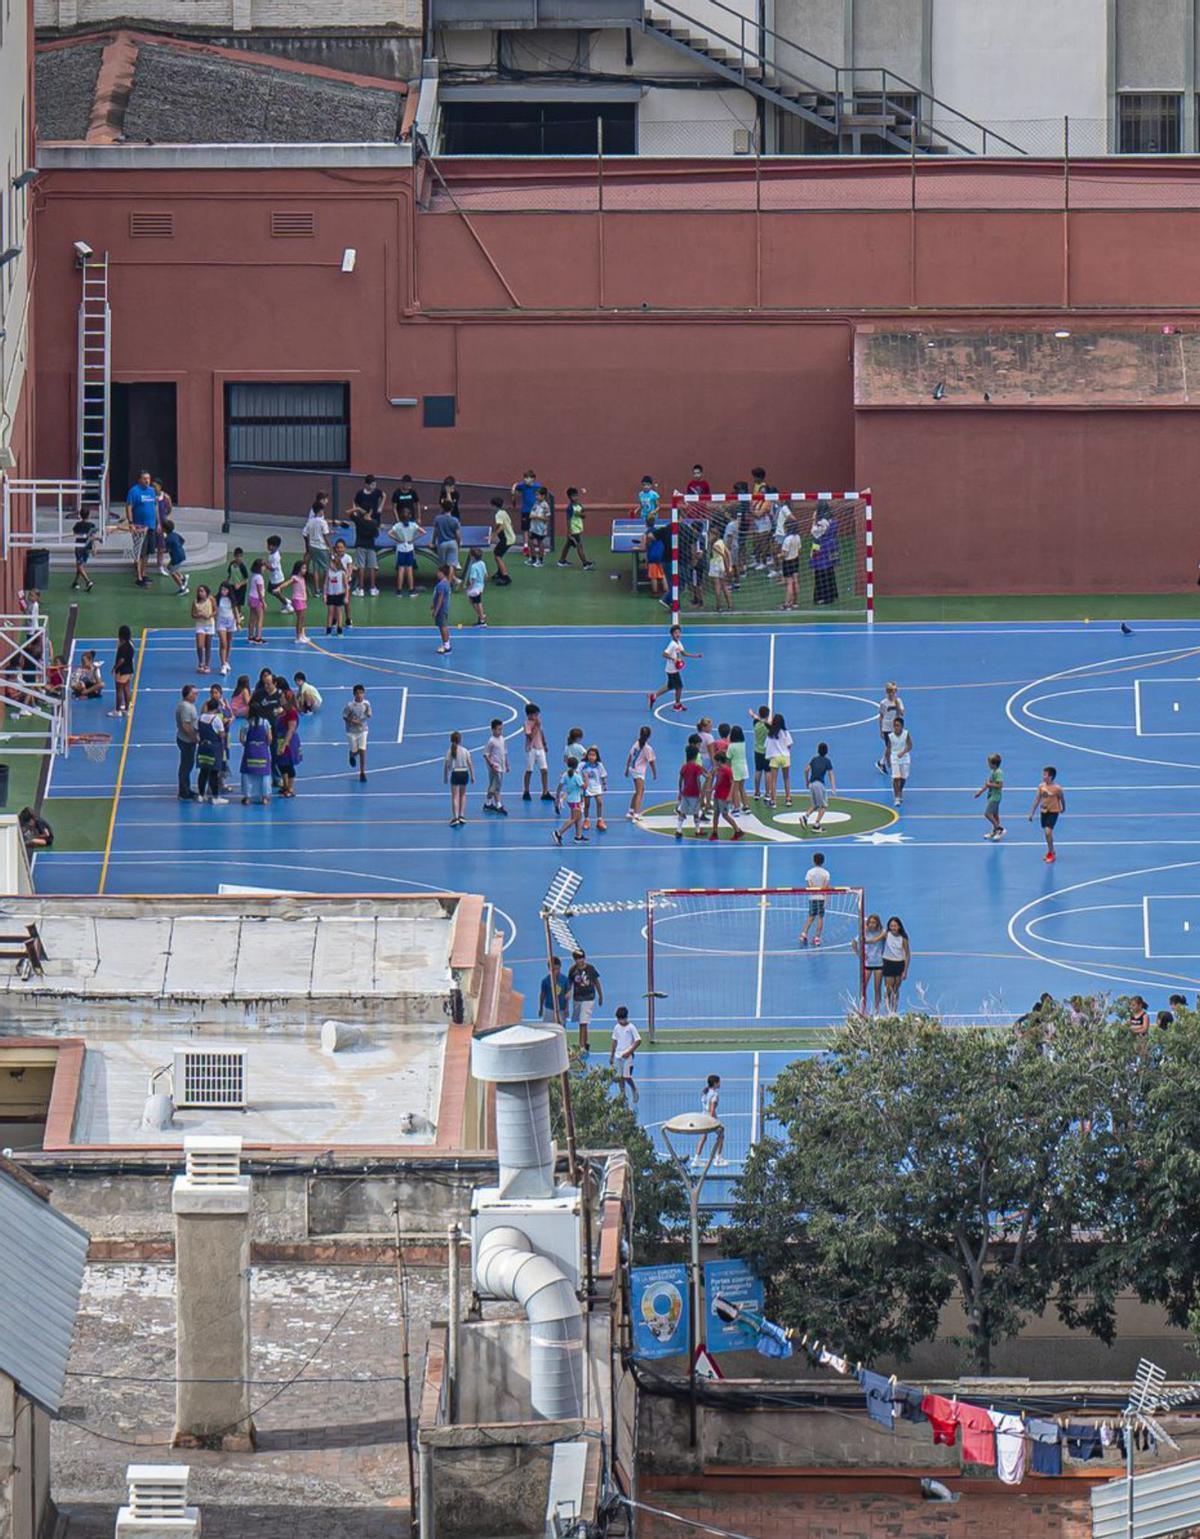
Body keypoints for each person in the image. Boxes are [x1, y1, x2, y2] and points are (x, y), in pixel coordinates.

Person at [649, 625, 702, 713]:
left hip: (674, 669)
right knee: (679, 687)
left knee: (670, 686)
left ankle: (654, 696)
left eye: (679, 632)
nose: (678, 634)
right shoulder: (672, 644)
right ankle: (677, 705)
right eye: (675, 633)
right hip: (671, 670)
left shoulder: (678, 643)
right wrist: (674, 659)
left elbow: (683, 653)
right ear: (672, 634)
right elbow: (664, 654)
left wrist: (695, 656)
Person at [125, 470, 159, 587]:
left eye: (148, 478)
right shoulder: (134, 491)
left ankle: (144, 573)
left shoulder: (152, 491)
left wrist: (158, 523)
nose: (147, 481)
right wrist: (131, 522)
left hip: (151, 526)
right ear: (139, 480)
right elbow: (129, 507)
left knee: (148, 552)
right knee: (140, 552)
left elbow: (155, 507)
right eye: (144, 478)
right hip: (139, 528)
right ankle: (139, 577)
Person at [348, 484, 382, 598]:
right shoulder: (374, 523)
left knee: (361, 567)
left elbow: (348, 513)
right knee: (372, 567)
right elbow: (376, 535)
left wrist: (357, 509)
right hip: (371, 546)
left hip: (360, 546)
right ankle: (372, 588)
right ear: (371, 511)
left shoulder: (358, 520)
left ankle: (361, 589)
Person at [567, 949, 602, 1054]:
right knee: (582, 1022)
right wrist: (568, 994)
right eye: (577, 959)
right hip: (577, 998)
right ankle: (585, 1042)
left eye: (582, 958)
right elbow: (569, 984)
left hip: (589, 997)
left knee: (583, 1022)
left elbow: (596, 982)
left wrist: (600, 995)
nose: (580, 961)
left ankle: (581, 1046)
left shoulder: (591, 969)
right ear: (574, 960)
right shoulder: (572, 970)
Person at [196, 695, 229, 805]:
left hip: (202, 748)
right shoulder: (216, 720)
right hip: (213, 749)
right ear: (217, 708)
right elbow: (222, 734)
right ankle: (215, 797)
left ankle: (201, 795)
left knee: (203, 771)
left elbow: (198, 731)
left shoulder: (200, 718)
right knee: (214, 773)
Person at [1029, 766, 1065, 863]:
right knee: (1046, 832)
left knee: (1048, 831)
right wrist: (1032, 812)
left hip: (1053, 811)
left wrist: (1063, 808)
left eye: (1045, 775)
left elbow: (1062, 799)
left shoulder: (1057, 788)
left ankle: (1051, 852)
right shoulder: (1041, 786)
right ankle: (1051, 850)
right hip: (1043, 811)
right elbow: (1037, 799)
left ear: (1051, 777)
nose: (1043, 776)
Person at [238, 706, 273, 805]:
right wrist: (264, 745)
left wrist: (248, 745)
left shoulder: (246, 723)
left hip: (250, 752)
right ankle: (265, 797)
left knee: (247, 774)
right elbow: (270, 738)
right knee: (264, 774)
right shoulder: (265, 723)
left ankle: (247, 797)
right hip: (262, 752)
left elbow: (241, 739)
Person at [273, 686, 302, 798]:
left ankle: (290, 788)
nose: (280, 699)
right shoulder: (284, 711)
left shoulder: (291, 713)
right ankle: (285, 785)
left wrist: (284, 745)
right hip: (280, 740)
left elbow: (291, 729)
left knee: (288, 765)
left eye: (282, 697)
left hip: (288, 742)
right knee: (281, 764)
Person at [609, 1006, 641, 1106]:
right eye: (618, 1019)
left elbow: (638, 1040)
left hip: (627, 1056)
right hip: (618, 1056)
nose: (620, 1021)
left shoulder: (631, 1027)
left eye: (622, 1019)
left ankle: (634, 1089)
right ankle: (622, 1094)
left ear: (626, 1018)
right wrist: (612, 1055)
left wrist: (629, 1052)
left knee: (627, 1076)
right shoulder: (616, 1027)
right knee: (619, 1077)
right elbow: (614, 1041)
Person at [798, 851, 831, 946]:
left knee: (811, 916)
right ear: (823, 861)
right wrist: (826, 898)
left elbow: (809, 885)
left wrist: (814, 890)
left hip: (812, 897)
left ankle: (804, 934)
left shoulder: (810, 872)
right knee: (820, 918)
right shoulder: (826, 873)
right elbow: (825, 887)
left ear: (813, 861)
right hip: (821, 898)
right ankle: (817, 937)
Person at [553, 756, 587, 845]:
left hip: (570, 800)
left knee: (578, 817)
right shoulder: (577, 776)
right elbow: (584, 787)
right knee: (574, 818)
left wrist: (557, 798)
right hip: (575, 801)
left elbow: (559, 786)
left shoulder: (565, 775)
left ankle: (578, 837)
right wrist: (586, 778)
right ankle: (558, 833)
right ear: (577, 765)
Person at [855, 913, 886, 1013]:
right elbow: (853, 943)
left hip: (879, 964)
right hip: (867, 964)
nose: (872, 924)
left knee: (877, 988)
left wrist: (866, 941)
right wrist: (860, 955)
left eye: (874, 922)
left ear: (877, 923)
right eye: (870, 922)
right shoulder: (864, 933)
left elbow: (875, 940)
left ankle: (877, 1011)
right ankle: (863, 1009)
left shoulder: (882, 932)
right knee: (863, 988)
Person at [389, 502, 421, 597]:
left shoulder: (397, 525)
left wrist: (397, 539)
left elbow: (389, 533)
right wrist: (413, 539)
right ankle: (411, 590)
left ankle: (399, 591)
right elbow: (423, 532)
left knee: (401, 570)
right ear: (410, 516)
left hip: (401, 549)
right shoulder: (413, 525)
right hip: (409, 549)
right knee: (409, 570)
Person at [557, 487, 593, 569]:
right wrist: (569, 532)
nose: (575, 497)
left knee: (567, 545)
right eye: (573, 496)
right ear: (569, 497)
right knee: (579, 546)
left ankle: (561, 561)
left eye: (576, 495)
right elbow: (568, 520)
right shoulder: (570, 508)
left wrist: (580, 514)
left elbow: (583, 515)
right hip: (574, 531)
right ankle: (585, 563)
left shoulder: (579, 505)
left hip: (578, 529)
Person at [522, 702, 553, 802]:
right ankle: (526, 791)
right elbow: (530, 736)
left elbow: (541, 733)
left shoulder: (539, 723)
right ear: (530, 715)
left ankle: (545, 792)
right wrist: (536, 726)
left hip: (540, 748)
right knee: (529, 770)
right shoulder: (527, 724)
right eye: (535, 714)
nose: (537, 716)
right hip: (531, 749)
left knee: (544, 770)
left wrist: (544, 744)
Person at [709, 751, 742, 842]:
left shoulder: (727, 770)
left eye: (715, 761)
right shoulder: (718, 770)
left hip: (723, 796)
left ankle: (737, 830)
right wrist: (713, 788)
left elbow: (732, 783)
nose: (714, 763)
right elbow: (719, 781)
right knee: (716, 814)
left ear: (719, 761)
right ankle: (715, 832)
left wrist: (729, 796)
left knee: (725, 815)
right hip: (717, 794)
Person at [625, 725, 656, 819]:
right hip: (639, 771)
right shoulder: (648, 748)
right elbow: (651, 762)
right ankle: (636, 814)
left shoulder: (636, 743)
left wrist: (626, 769)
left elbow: (630, 756)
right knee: (640, 792)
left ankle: (630, 811)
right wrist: (654, 773)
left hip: (633, 769)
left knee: (640, 790)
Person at [803, 741, 836, 830]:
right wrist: (833, 787)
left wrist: (807, 781)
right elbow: (831, 774)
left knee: (815, 805)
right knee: (824, 805)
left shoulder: (814, 759)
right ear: (826, 751)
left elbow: (806, 770)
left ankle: (805, 816)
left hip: (812, 784)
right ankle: (816, 824)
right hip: (819, 784)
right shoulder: (827, 761)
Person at [444, 729, 474, 826]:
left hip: (455, 773)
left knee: (455, 796)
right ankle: (462, 815)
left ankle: (455, 817)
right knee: (463, 795)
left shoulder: (450, 751)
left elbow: (447, 765)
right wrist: (473, 776)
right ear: (460, 740)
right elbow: (470, 763)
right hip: (464, 773)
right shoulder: (465, 751)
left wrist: (445, 776)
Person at [675, 745, 705, 839]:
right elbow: (698, 780)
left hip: (685, 793)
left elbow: (680, 780)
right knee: (696, 812)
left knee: (682, 812)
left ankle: (678, 830)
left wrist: (680, 792)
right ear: (696, 756)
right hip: (694, 793)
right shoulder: (697, 767)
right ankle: (697, 830)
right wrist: (700, 792)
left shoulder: (684, 767)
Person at [694, 1074, 725, 1166]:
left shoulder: (705, 1092)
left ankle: (696, 1159)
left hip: (702, 1116)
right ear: (715, 1083)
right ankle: (718, 1159)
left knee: (703, 1137)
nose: (720, 1083)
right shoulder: (715, 1095)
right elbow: (712, 1110)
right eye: (719, 1082)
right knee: (721, 1134)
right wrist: (714, 1121)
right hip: (709, 1118)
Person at [175, 684, 199, 800]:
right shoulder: (186, 707)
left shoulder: (188, 705)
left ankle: (186, 788)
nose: (196, 695)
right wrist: (194, 737)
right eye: (194, 693)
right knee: (186, 765)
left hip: (186, 739)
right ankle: (184, 791)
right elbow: (185, 725)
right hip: (187, 740)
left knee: (187, 764)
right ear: (188, 695)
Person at [810, 508, 839, 605]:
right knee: (830, 570)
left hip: (823, 548)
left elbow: (814, 534)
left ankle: (824, 597)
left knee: (821, 572)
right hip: (832, 547)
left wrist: (814, 520)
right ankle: (833, 593)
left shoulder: (822, 523)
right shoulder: (833, 521)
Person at [343, 682, 371, 783]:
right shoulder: (350, 706)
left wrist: (367, 715)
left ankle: (362, 772)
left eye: (361, 693)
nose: (359, 695)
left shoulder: (366, 704)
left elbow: (369, 713)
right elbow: (345, 716)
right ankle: (351, 755)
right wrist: (353, 721)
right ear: (354, 694)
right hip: (351, 731)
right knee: (355, 751)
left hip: (363, 730)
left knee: (362, 751)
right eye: (357, 693)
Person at [881, 916, 910, 1013]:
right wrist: (864, 939)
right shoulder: (886, 934)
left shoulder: (903, 938)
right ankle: (888, 1010)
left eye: (895, 925)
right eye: (891, 926)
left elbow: (907, 954)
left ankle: (894, 1011)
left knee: (896, 989)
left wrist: (905, 971)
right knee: (888, 989)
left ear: (899, 927)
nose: (893, 927)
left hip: (899, 964)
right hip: (888, 963)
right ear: (889, 927)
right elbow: (875, 939)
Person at [974, 753, 1006, 840]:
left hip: (995, 797)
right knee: (995, 815)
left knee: (987, 814)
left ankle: (1000, 829)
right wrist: (980, 792)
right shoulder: (993, 772)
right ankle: (995, 831)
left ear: (994, 764)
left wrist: (990, 784)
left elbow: (1000, 785)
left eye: (989, 763)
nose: (988, 765)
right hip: (991, 795)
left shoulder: (999, 773)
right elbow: (987, 784)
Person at [765, 712, 793, 808]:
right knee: (786, 778)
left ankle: (773, 801)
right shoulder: (785, 733)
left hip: (775, 757)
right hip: (785, 757)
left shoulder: (771, 734)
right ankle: (788, 798)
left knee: (773, 780)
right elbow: (789, 745)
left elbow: (766, 746)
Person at [885, 713, 913, 810]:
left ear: (902, 726)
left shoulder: (906, 734)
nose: (896, 727)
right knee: (896, 778)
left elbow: (910, 745)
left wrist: (903, 752)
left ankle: (899, 790)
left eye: (898, 725)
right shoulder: (891, 736)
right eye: (895, 726)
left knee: (903, 778)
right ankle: (897, 797)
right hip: (894, 757)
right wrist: (888, 760)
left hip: (904, 757)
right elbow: (888, 749)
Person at [432, 499, 462, 586]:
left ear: (442, 508)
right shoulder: (455, 520)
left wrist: (433, 542)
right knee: (452, 565)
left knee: (442, 567)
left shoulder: (438, 519)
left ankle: (450, 581)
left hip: (442, 544)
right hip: (452, 543)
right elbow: (458, 535)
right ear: (451, 509)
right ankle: (450, 583)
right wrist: (458, 544)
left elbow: (436, 532)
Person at [483, 718, 509, 815]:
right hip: (495, 767)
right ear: (493, 730)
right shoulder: (491, 741)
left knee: (495, 786)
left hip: (501, 766)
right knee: (495, 787)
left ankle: (488, 803)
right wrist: (491, 764)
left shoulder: (502, 739)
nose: (500, 731)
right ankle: (498, 804)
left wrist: (506, 764)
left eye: (501, 729)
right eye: (498, 729)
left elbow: (504, 752)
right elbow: (486, 754)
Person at [876, 682, 904, 774]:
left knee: (891, 747)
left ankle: (881, 762)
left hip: (896, 728)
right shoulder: (883, 703)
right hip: (886, 728)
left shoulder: (899, 701)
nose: (892, 693)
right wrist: (880, 730)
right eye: (889, 691)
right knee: (891, 747)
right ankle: (884, 763)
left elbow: (902, 714)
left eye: (894, 691)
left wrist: (897, 705)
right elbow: (881, 716)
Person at [215, 580, 241, 675]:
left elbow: (235, 611)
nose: (223, 591)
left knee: (229, 643)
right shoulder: (217, 599)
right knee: (223, 643)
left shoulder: (232, 600)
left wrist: (238, 623)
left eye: (225, 589)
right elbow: (215, 611)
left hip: (230, 622)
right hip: (221, 623)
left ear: (228, 590)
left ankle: (226, 661)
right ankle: (223, 665)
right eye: (222, 589)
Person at [512, 469, 539, 556]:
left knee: (535, 529)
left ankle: (536, 547)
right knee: (525, 530)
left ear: (533, 479)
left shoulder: (537, 486)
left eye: (528, 478)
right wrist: (513, 488)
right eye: (525, 478)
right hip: (525, 511)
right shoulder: (522, 486)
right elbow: (516, 485)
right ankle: (526, 547)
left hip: (535, 512)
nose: (525, 479)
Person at [581, 745, 607, 832]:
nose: (591, 757)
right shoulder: (583, 765)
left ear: (597, 757)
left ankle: (599, 820)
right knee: (587, 804)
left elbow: (603, 776)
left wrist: (604, 785)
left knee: (599, 802)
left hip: (597, 787)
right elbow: (576, 772)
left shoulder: (599, 765)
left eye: (593, 755)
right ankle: (586, 820)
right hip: (587, 787)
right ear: (587, 756)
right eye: (590, 755)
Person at [110, 625, 135, 719]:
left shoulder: (122, 647)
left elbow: (121, 660)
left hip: (122, 671)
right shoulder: (131, 644)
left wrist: (114, 667)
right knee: (127, 689)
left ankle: (117, 710)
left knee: (119, 690)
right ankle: (127, 709)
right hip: (130, 670)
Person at [191, 584, 216, 673]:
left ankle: (207, 665)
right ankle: (200, 662)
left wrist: (209, 616)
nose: (200, 593)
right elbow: (192, 614)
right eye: (199, 591)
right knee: (200, 645)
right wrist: (198, 615)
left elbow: (215, 610)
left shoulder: (211, 599)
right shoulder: (195, 602)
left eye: (202, 591)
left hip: (209, 624)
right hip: (200, 625)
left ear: (206, 592)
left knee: (208, 645)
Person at [324, 548, 349, 636]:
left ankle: (339, 630)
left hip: (339, 595)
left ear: (336, 563)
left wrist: (346, 597)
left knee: (339, 613)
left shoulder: (342, 573)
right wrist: (325, 595)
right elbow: (326, 584)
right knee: (330, 612)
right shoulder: (329, 572)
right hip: (331, 594)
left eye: (331, 562)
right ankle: (328, 630)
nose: (330, 564)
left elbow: (346, 586)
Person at [490, 495, 515, 586]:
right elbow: (510, 524)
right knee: (496, 552)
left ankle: (505, 577)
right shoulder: (504, 512)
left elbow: (500, 526)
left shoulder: (498, 514)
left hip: (507, 539)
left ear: (493, 506)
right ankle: (499, 572)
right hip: (510, 537)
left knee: (498, 556)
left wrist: (493, 536)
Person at [71, 507, 97, 592]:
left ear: (80, 515)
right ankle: (75, 582)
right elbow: (93, 537)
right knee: (80, 565)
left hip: (79, 547)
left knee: (80, 565)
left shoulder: (77, 525)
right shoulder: (92, 525)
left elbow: (74, 533)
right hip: (87, 547)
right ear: (89, 515)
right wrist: (94, 547)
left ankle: (88, 581)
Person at [779, 517, 802, 611]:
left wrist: (778, 556)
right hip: (795, 560)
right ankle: (795, 602)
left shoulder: (787, 540)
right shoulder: (798, 537)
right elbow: (799, 549)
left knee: (789, 583)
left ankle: (787, 604)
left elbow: (784, 554)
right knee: (795, 581)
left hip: (788, 562)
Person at [748, 705, 770, 799]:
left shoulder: (756, 724)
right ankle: (767, 793)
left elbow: (757, 719)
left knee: (758, 771)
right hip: (767, 751)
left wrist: (753, 715)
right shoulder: (768, 726)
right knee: (768, 772)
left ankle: (757, 792)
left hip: (757, 751)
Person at [538, 956, 569, 1025]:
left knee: (561, 1029)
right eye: (553, 969)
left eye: (557, 969)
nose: (556, 971)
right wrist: (541, 1008)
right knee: (548, 1030)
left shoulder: (565, 980)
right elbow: (542, 995)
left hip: (561, 1009)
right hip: (549, 1009)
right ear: (549, 969)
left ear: (560, 967)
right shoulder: (545, 981)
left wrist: (567, 1008)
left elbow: (567, 996)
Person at [265, 535, 292, 613]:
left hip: (277, 579)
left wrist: (265, 564)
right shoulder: (271, 554)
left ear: (275, 546)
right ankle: (285, 602)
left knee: (276, 592)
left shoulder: (276, 556)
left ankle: (287, 605)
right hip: (273, 578)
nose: (268, 546)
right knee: (271, 590)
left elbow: (273, 568)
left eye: (269, 545)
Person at [728, 724, 750, 813]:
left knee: (735, 788)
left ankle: (736, 807)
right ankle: (746, 806)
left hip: (735, 768)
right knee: (742, 788)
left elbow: (728, 757)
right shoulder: (743, 744)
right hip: (744, 767)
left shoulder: (731, 746)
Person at [162, 519, 188, 595]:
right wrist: (178, 547)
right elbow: (183, 541)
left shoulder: (167, 539)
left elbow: (166, 550)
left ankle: (183, 588)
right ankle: (183, 578)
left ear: (164, 529)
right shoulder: (175, 534)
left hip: (176, 557)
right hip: (181, 554)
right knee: (170, 567)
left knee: (172, 572)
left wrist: (159, 551)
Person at [708, 531, 732, 611]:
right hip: (721, 565)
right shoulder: (721, 542)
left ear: (714, 535)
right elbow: (728, 553)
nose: (709, 537)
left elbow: (724, 555)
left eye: (710, 535)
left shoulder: (714, 546)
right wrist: (729, 565)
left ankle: (719, 606)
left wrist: (727, 567)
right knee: (724, 586)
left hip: (716, 565)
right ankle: (730, 605)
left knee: (717, 586)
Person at [153, 479, 173, 574]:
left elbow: (169, 509)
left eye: (155, 486)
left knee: (161, 547)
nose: (153, 488)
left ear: (160, 487)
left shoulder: (166, 497)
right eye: (152, 486)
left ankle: (160, 566)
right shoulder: (150, 496)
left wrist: (164, 520)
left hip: (161, 525)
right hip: (152, 523)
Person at [645, 523, 668, 604]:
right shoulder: (662, 535)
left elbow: (645, 545)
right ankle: (666, 591)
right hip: (661, 555)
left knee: (653, 576)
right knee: (662, 574)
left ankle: (655, 592)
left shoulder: (648, 535)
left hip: (653, 556)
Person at [465, 548, 489, 627]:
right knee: (475, 601)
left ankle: (482, 620)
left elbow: (473, 579)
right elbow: (486, 576)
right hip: (481, 586)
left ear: (472, 557)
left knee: (477, 602)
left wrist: (469, 587)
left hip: (475, 587)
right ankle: (481, 615)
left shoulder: (474, 566)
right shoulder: (483, 563)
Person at [431, 565, 452, 654]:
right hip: (443, 608)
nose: (437, 573)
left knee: (443, 627)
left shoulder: (441, 585)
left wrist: (435, 611)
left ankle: (446, 646)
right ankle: (446, 644)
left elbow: (440, 599)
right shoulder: (446, 583)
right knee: (443, 626)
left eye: (438, 572)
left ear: (442, 573)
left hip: (441, 609)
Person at [527, 487, 550, 567]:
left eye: (538, 495)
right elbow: (531, 514)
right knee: (530, 541)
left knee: (540, 543)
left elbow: (547, 518)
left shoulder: (545, 506)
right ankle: (533, 558)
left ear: (543, 496)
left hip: (541, 528)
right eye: (536, 495)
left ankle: (540, 561)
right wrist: (532, 516)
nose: (536, 497)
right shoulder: (536, 503)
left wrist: (537, 517)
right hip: (533, 527)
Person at [246, 560, 266, 645]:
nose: (265, 568)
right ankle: (258, 637)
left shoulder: (253, 576)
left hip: (251, 597)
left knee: (252, 618)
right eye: (263, 566)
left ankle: (250, 636)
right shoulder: (259, 578)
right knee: (260, 618)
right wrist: (263, 602)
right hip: (257, 599)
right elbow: (259, 591)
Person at [289, 561, 309, 644]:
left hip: (302, 599)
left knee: (302, 618)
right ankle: (298, 636)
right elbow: (287, 583)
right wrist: (279, 588)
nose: (305, 570)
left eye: (305, 568)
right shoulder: (295, 578)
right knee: (300, 619)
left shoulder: (302, 578)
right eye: (303, 568)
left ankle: (302, 634)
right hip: (298, 600)